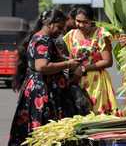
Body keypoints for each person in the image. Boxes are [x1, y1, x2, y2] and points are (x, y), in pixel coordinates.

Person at [8, 9, 80, 146]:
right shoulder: (44, 40)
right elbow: (42, 66)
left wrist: (64, 59)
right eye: (59, 27)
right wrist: (67, 64)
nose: (60, 31)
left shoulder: (37, 37)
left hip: (36, 87)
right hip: (42, 91)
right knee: (44, 129)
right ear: (50, 23)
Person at [63, 6, 119, 115]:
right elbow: (69, 58)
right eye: (78, 21)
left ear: (91, 21)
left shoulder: (100, 34)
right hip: (77, 80)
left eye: (85, 22)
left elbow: (108, 61)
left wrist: (84, 68)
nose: (81, 25)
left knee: (96, 115)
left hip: (96, 82)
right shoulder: (71, 35)